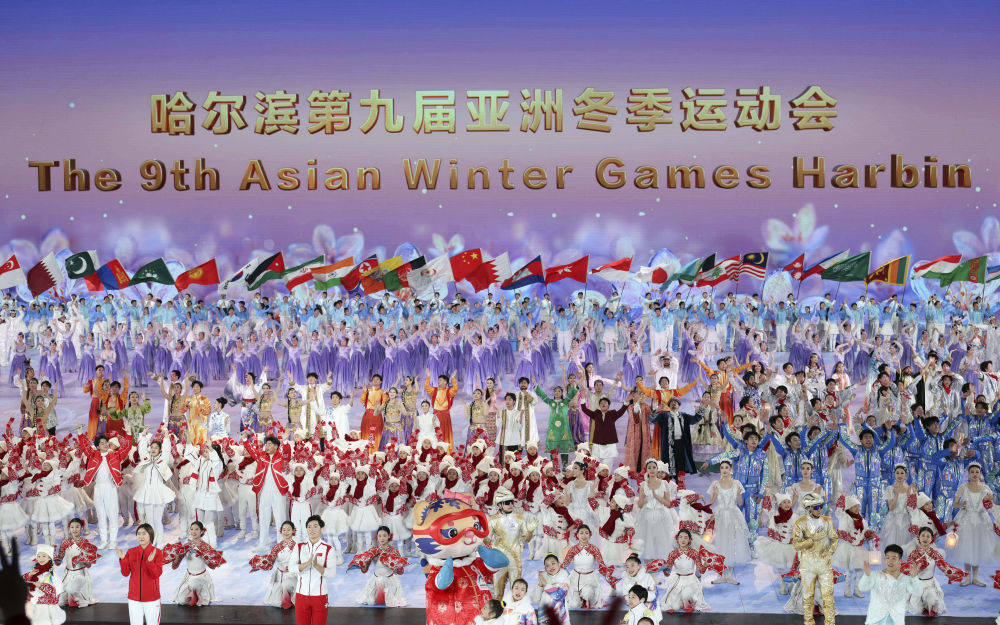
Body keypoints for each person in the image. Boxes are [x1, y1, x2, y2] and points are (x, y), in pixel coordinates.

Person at [792, 492, 837, 625]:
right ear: (809, 508)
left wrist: (829, 552)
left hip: (824, 563)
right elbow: (796, 544)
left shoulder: (827, 521)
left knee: (828, 596)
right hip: (807, 564)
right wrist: (809, 542)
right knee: (807, 596)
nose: (820, 509)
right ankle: (808, 622)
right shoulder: (801, 523)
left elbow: (834, 538)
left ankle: (830, 622)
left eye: (821, 506)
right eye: (816, 507)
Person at [857, 544, 919, 625]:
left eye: (894, 558)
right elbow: (862, 587)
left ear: (900, 560)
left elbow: (918, 592)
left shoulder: (905, 579)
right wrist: (867, 575)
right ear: (884, 559)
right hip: (876, 620)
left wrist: (915, 578)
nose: (890, 561)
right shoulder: (876, 575)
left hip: (896, 620)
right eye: (887, 558)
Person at [348, 525, 409, 607]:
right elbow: (365, 567)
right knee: (370, 601)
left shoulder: (394, 551)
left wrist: (396, 566)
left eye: (384, 536)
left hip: (389, 579)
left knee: (393, 601)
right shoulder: (373, 550)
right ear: (377, 537)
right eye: (379, 536)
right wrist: (361, 564)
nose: (382, 538)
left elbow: (400, 571)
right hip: (376, 579)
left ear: (389, 536)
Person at [117, 524, 164, 625]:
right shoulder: (131, 552)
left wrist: (150, 562)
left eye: (144, 533)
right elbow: (125, 573)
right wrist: (123, 559)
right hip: (134, 598)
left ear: (150, 535)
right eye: (138, 534)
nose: (141, 536)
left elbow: (156, 574)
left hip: (152, 599)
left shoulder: (157, 552)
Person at [248, 520, 299, 609]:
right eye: (284, 530)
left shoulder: (298, 547)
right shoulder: (277, 547)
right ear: (281, 531)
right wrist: (259, 565)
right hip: (280, 575)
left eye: (288, 529)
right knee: (277, 602)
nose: (286, 532)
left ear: (293, 531)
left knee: (289, 588)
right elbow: (271, 560)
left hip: (293, 575)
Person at [294, 515, 334, 625]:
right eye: (309, 527)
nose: (312, 529)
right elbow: (291, 568)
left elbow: (332, 573)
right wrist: (306, 564)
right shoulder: (299, 547)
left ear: (321, 529)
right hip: (301, 596)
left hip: (320, 596)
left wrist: (317, 566)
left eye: (315, 526)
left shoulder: (328, 549)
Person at [22, 544, 65, 625]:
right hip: (32, 605)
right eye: (38, 556)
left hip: (45, 606)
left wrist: (41, 586)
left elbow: (55, 595)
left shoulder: (52, 575)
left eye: (44, 556)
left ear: (49, 558)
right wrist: (30, 575)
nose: (41, 558)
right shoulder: (35, 571)